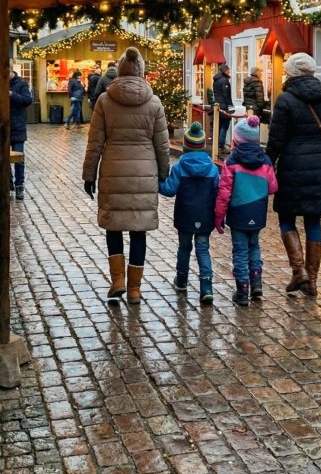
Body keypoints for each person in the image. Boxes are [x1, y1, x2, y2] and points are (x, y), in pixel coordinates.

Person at [82, 47, 170, 304]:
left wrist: (89, 175)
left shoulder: (104, 102)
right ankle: (134, 289)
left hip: (113, 171)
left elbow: (95, 142)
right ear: (141, 71)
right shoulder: (154, 103)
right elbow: (162, 146)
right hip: (144, 173)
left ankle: (117, 280)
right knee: (138, 231)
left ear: (119, 70)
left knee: (114, 227)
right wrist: (163, 174)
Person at [267, 52, 321, 298]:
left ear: (291, 73)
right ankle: (313, 281)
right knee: (313, 221)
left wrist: (268, 163)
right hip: (320, 166)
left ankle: (299, 271)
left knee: (287, 217)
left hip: (292, 165)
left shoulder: (285, 100)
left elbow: (276, 138)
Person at [214, 115, 277, 306]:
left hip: (238, 212)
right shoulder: (265, 160)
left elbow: (224, 192)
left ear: (236, 139)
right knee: (254, 246)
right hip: (257, 212)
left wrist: (219, 216)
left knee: (240, 251)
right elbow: (273, 187)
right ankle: (256, 283)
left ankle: (242, 290)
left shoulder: (232, 161)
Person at [159, 121, 219, 304]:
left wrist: (156, 183)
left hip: (185, 215)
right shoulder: (213, 169)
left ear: (185, 146)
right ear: (203, 147)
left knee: (184, 248)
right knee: (203, 250)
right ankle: (206, 287)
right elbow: (219, 191)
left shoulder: (179, 167)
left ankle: (182, 280)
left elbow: (169, 189)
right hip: (205, 216)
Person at [9, 66, 33, 200]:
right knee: (4, 159)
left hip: (17, 126)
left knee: (19, 159)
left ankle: (19, 186)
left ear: (11, 71)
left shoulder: (21, 83)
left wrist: (12, 95)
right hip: (3, 127)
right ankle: (8, 181)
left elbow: (27, 100)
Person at [212, 63, 234, 153]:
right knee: (224, 126)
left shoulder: (216, 80)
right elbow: (226, 95)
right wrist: (231, 107)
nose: (229, 72)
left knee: (219, 125)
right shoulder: (224, 81)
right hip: (224, 106)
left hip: (218, 105)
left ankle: (216, 145)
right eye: (228, 70)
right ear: (225, 70)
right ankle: (221, 146)